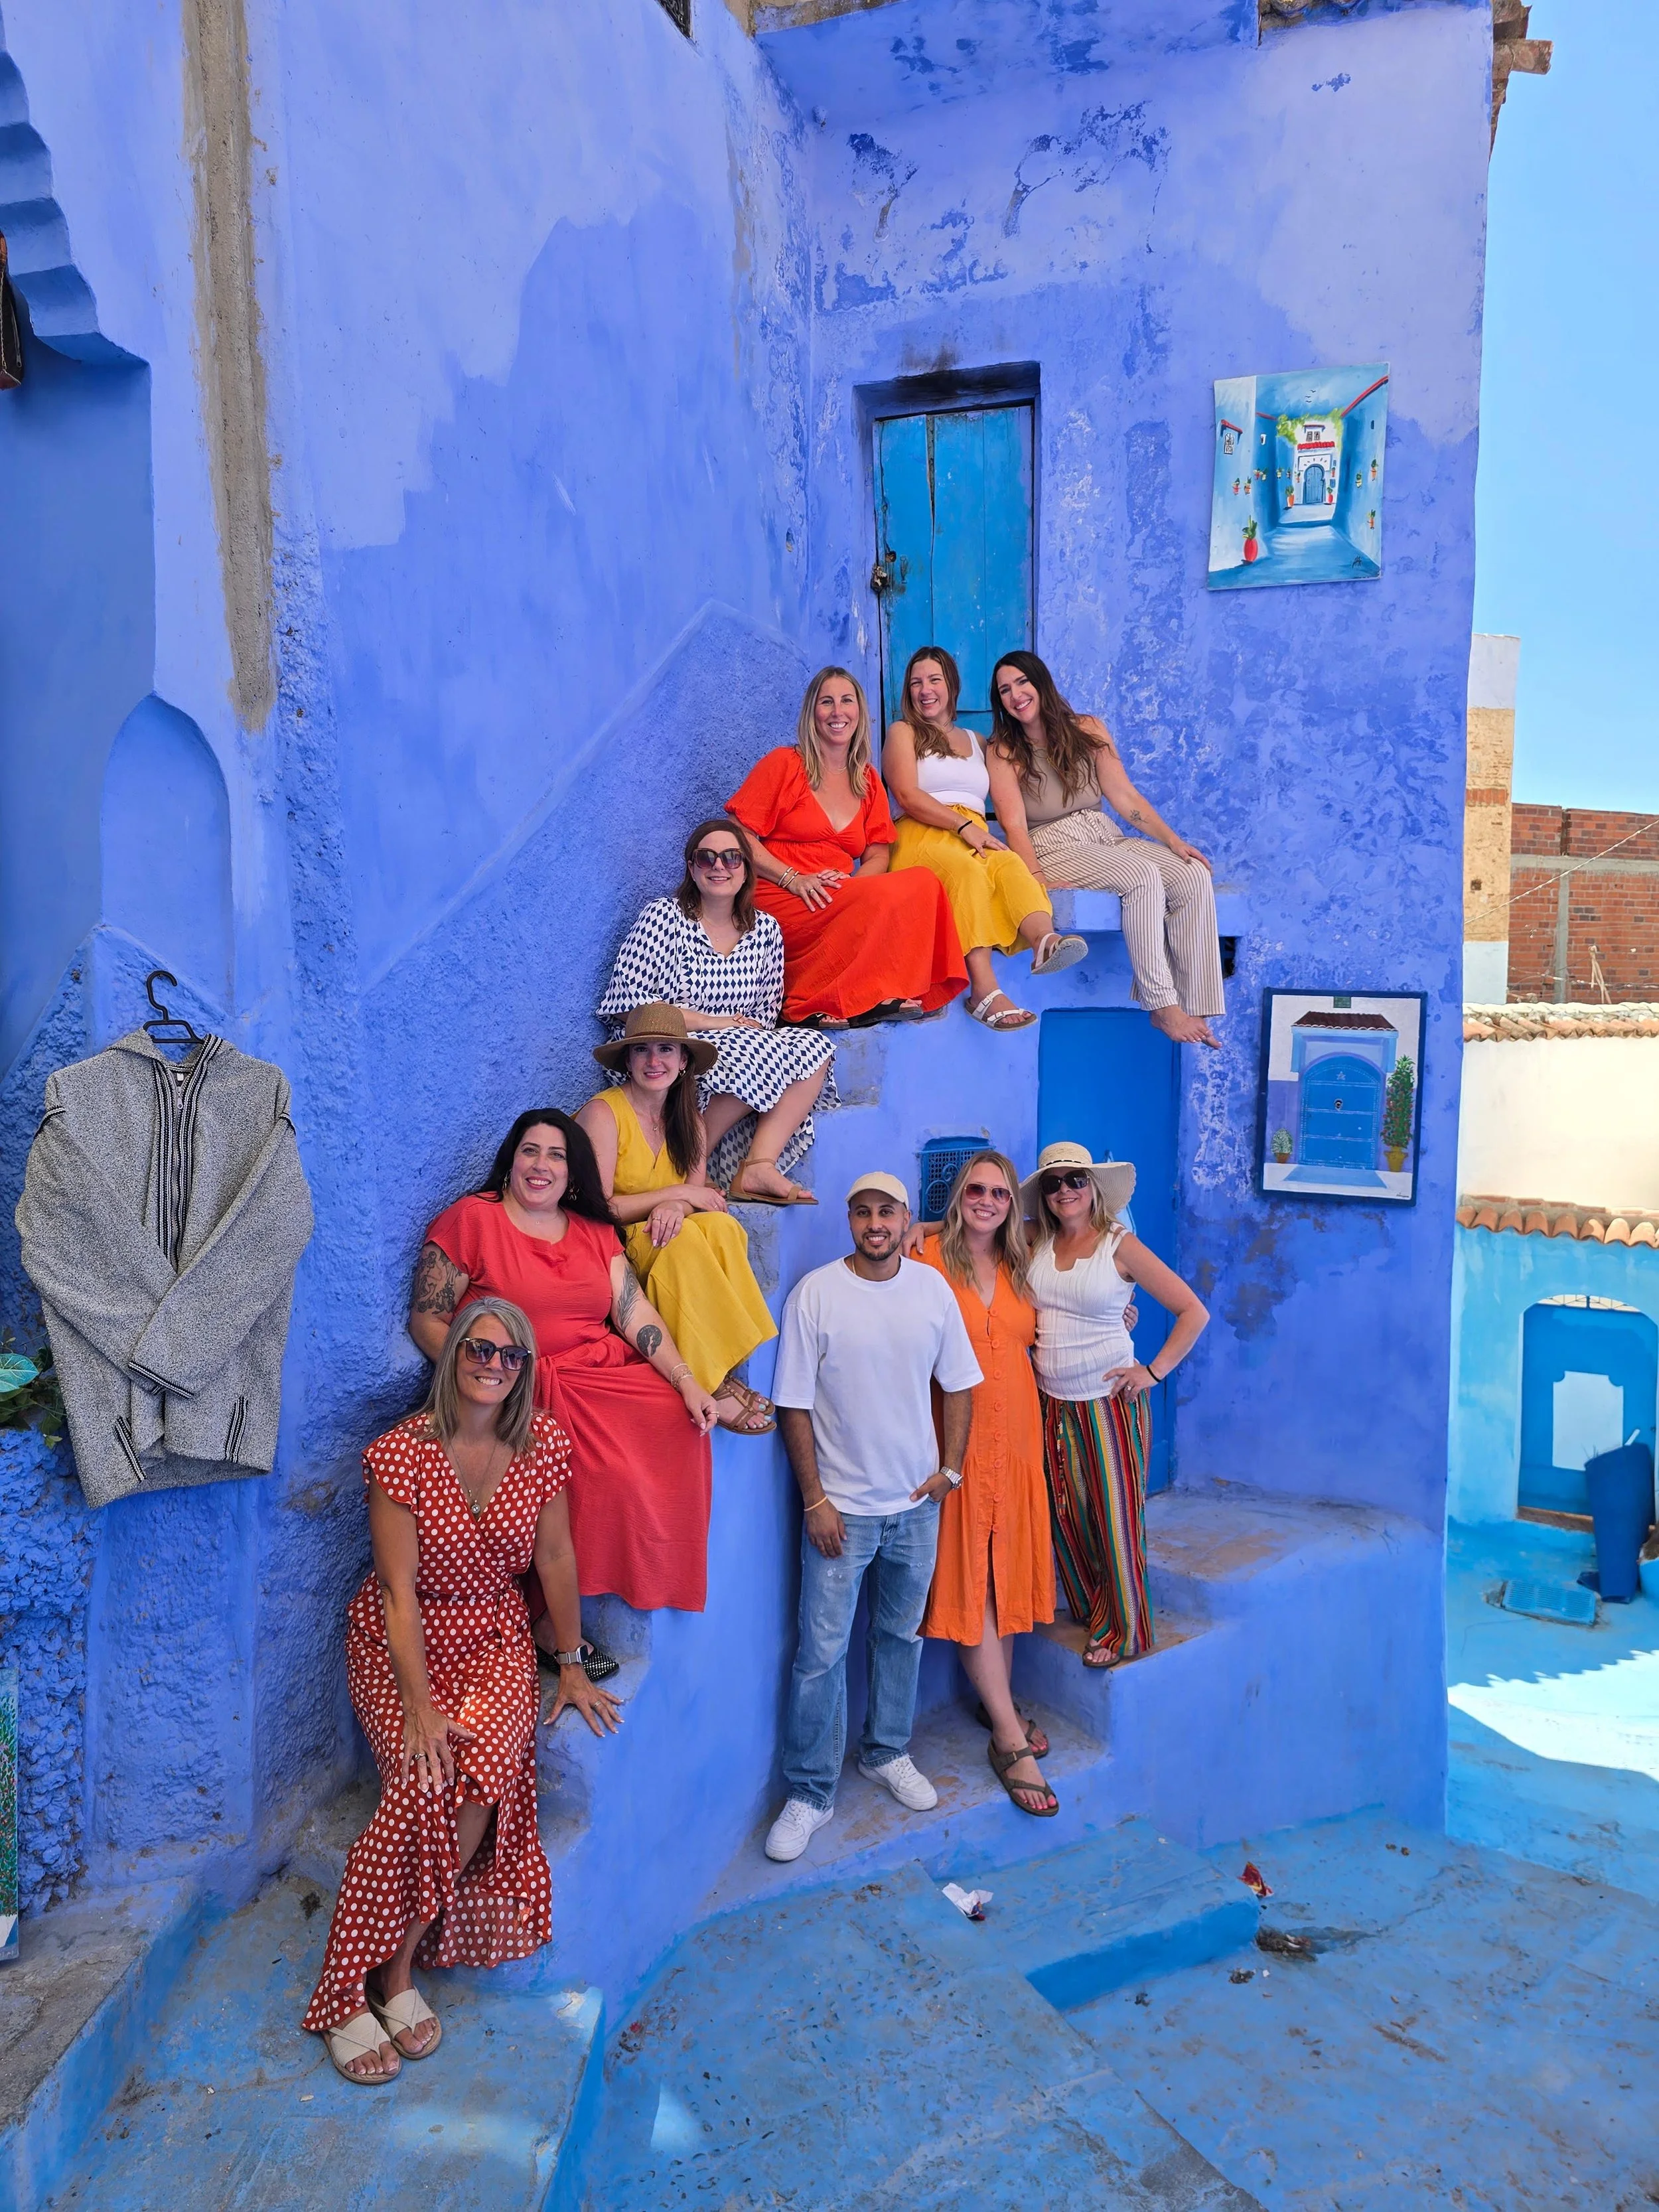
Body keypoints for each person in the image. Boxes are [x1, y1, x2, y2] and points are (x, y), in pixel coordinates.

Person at [302, 1298, 621, 2083]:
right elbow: (399, 1593)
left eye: (511, 1357)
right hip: (400, 1642)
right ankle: (342, 1988)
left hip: (494, 1638)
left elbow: (554, 1558)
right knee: (423, 1775)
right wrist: (418, 1705)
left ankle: (397, 1967)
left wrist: (571, 1661)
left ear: (525, 1372)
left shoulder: (543, 1443)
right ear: (454, 1359)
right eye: (479, 1350)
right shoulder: (401, 1455)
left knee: (480, 1773)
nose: (493, 1366)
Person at [409, 1110, 718, 1626]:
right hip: (515, 1381)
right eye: (530, 1150)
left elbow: (632, 1310)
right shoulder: (472, 1219)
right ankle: (554, 1624)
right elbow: (427, 1321)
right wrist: (491, 1381)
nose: (541, 1165)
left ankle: (629, 1582)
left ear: (573, 1174)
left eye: (557, 1155)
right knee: (595, 1471)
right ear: (511, 1161)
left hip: (597, 1372)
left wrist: (686, 1381)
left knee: (680, 1420)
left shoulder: (594, 1231)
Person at [764, 1171, 981, 1864]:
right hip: (842, 1513)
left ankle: (885, 1753)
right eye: (862, 1212)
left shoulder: (930, 1290)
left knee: (899, 1638)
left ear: (905, 1218)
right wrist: (815, 1500)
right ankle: (809, 1793)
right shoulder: (817, 1294)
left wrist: (949, 1470)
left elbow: (960, 1384)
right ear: (851, 1222)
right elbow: (791, 1404)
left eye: (886, 1211)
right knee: (818, 1658)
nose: (874, 1223)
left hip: (915, 1509)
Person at [1022, 1142, 1209, 1668]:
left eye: (1075, 1179)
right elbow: (973, 1233)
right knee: (1068, 1514)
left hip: (1108, 1402)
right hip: (1051, 1401)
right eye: (1054, 1182)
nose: (1065, 1191)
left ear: (1093, 1187)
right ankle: (1092, 1609)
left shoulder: (1119, 1246)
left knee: (1116, 1518)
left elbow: (1192, 1310)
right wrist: (919, 1230)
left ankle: (1126, 1629)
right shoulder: (1036, 1239)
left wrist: (1152, 1371)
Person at [914, 1151, 1058, 1816]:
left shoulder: (1024, 1267)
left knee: (1002, 1578)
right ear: (957, 1197)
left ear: (1012, 1205)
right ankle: (1007, 1733)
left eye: (999, 1193)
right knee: (972, 1577)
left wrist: (1121, 1323)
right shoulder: (927, 1260)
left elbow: (1062, 1323)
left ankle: (996, 1701)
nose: (987, 1200)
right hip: (960, 1444)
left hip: (1020, 1440)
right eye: (975, 1189)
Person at [985, 652, 1225, 1047]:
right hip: (1053, 843)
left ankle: (1192, 1002)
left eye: (1022, 683)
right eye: (1005, 690)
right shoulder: (1003, 751)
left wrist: (1173, 840)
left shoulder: (1089, 728)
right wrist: (1037, 879)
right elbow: (1014, 826)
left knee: (1191, 875)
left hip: (1104, 836)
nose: (1016, 695)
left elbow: (1124, 795)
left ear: (1041, 683)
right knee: (1141, 876)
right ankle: (1161, 1005)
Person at [597, 818, 837, 1202]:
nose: (719, 867)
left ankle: (758, 1165)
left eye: (731, 858)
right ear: (692, 869)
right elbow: (632, 1006)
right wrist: (715, 1023)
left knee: (813, 1049)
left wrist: (738, 1030)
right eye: (706, 858)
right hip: (661, 1047)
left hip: (738, 1048)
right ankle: (686, 1165)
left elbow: (762, 1016)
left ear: (747, 869)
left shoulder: (766, 931)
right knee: (742, 1050)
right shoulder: (664, 917)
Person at [727, 666, 968, 1029]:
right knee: (882, 897)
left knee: (923, 882)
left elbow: (877, 853)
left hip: (835, 892)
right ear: (813, 713)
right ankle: (816, 1000)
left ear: (859, 712)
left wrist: (851, 887)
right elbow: (738, 832)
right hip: (782, 892)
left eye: (847, 701)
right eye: (827, 702)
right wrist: (793, 878)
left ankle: (882, 992)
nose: (838, 712)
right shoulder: (785, 764)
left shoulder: (868, 779)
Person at [577, 1003, 778, 1439]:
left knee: (724, 1227)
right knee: (683, 1243)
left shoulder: (691, 1124)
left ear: (684, 1060)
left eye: (666, 1049)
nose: (655, 1061)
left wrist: (677, 1205)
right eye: (643, 1051)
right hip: (614, 1241)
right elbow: (600, 1207)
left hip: (665, 1231)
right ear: (627, 1061)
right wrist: (677, 1196)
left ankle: (720, 1365)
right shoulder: (603, 1113)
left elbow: (697, 1199)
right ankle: (714, 1381)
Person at [884, 646, 1086, 1032]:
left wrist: (1037, 869)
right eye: (916, 683)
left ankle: (1045, 942)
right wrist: (962, 828)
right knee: (967, 873)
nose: (925, 690)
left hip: (973, 831)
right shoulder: (903, 732)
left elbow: (1014, 802)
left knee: (1010, 864)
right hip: (922, 831)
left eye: (934, 680)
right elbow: (907, 794)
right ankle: (984, 990)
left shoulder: (980, 741)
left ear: (952, 686)